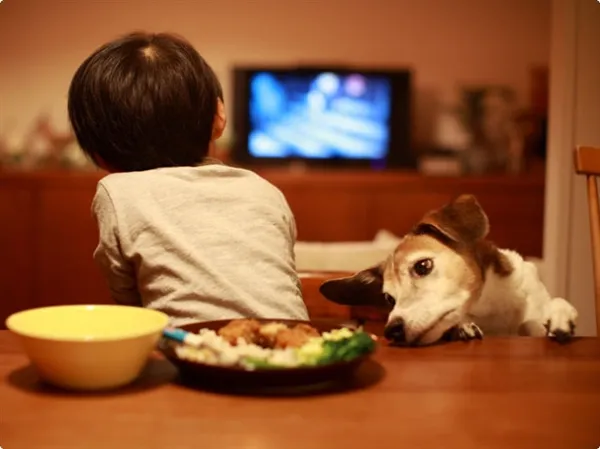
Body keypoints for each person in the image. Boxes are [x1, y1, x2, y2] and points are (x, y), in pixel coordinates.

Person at [67, 31, 309, 326]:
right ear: (219, 117)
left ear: (97, 150)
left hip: (189, 357)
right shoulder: (264, 190)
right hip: (299, 353)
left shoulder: (118, 193)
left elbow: (131, 307)